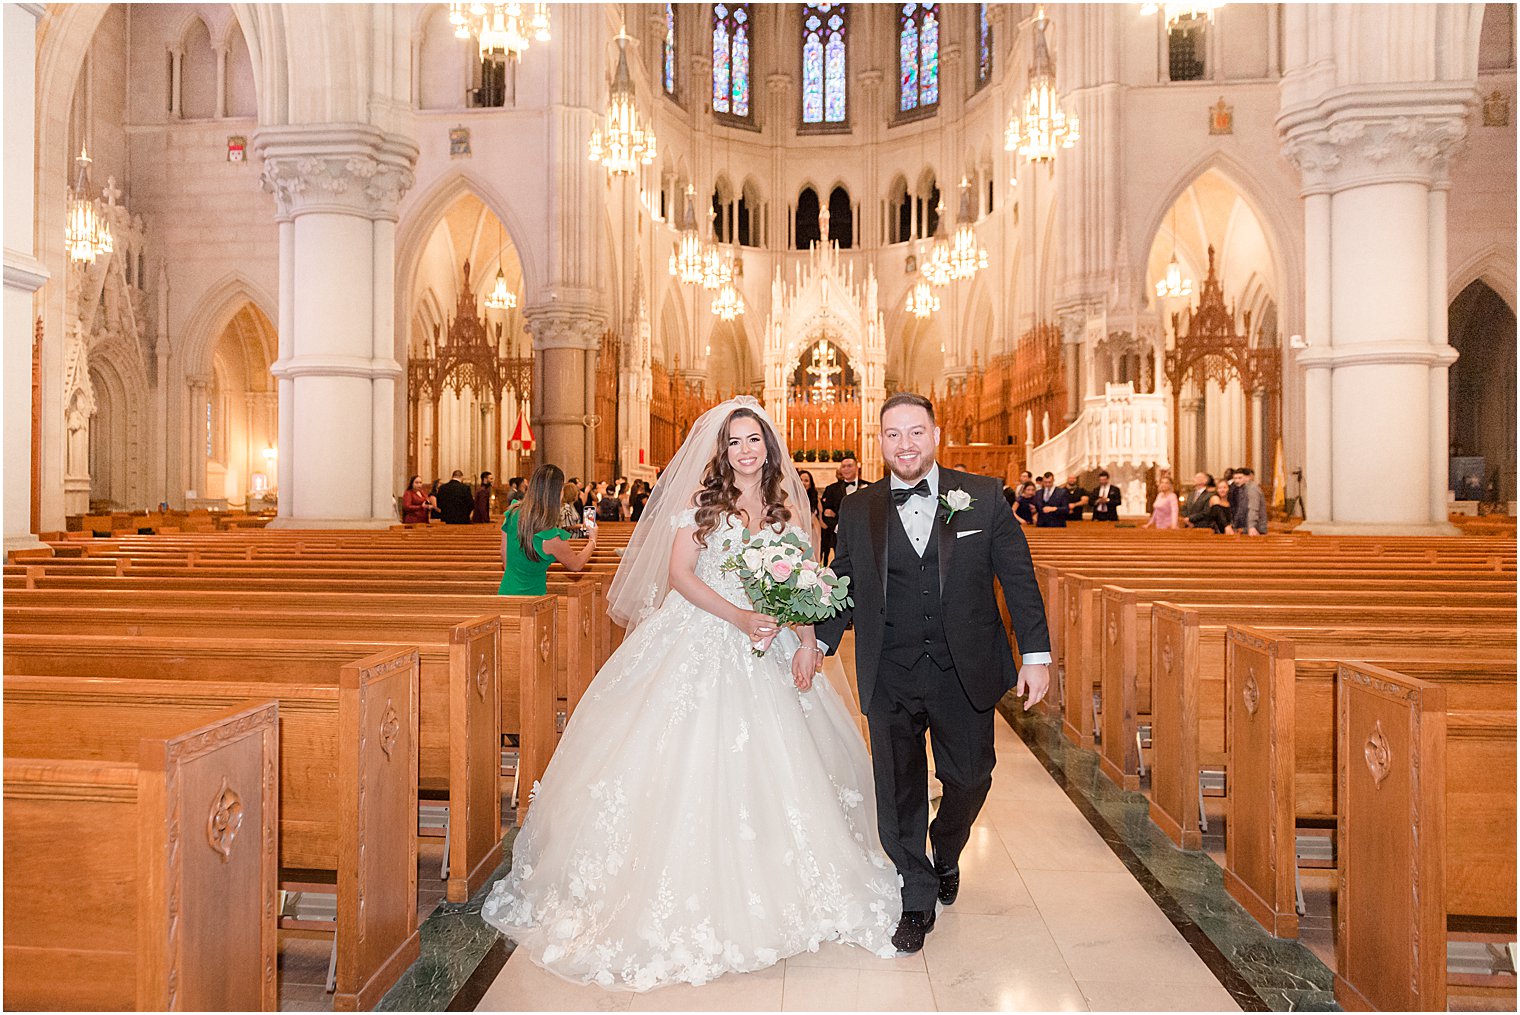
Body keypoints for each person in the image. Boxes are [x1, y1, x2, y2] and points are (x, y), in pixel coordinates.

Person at [482, 397, 900, 989]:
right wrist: (736, 615)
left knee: (784, 766)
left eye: (754, 440)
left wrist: (807, 642)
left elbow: (803, 584)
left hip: (774, 645)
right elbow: (679, 576)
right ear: (721, 451)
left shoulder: (786, 512)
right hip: (705, 636)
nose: (746, 451)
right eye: (734, 442)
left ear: (769, 448)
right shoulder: (703, 506)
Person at [809, 392, 1052, 954]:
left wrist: (1035, 655)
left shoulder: (984, 497)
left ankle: (947, 845)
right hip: (888, 668)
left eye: (915, 432)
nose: (905, 444)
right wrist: (819, 641)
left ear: (936, 435)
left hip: (962, 668)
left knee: (971, 777)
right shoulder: (858, 508)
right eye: (892, 434)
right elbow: (842, 582)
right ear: (880, 441)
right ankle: (915, 895)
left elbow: (1018, 577)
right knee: (898, 792)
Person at [498, 464, 598, 596]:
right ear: (557, 493)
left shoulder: (512, 513)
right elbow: (576, 565)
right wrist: (593, 540)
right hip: (533, 601)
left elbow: (504, 554)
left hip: (506, 592)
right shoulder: (550, 536)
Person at [819, 455, 867, 564]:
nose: (846, 469)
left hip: (864, 535)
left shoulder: (869, 486)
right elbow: (826, 514)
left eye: (849, 466)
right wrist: (838, 528)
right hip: (839, 537)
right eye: (843, 466)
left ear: (857, 467)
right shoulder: (831, 489)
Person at [1234, 467, 1268, 535]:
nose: (1237, 481)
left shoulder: (1252, 489)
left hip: (1255, 529)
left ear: (1248, 477)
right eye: (1235, 478)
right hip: (1246, 528)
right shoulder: (1242, 489)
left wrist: (1252, 526)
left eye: (1240, 478)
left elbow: (1253, 508)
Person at [797, 469, 823, 545]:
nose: (803, 483)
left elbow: (821, 517)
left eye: (806, 480)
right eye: (801, 480)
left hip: (813, 531)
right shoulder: (792, 498)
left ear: (810, 484)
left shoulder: (815, 498)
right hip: (798, 530)